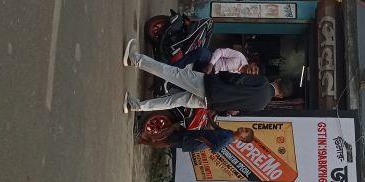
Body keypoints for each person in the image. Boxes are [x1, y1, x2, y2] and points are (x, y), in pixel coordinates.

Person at [122, 40, 292, 114]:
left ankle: (135, 60)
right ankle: (135, 106)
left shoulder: (263, 82)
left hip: (211, 86)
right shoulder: (261, 106)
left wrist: (220, 74)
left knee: (172, 73)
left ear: (277, 81)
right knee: (173, 102)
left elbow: (236, 79)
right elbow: (234, 110)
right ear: (281, 96)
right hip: (209, 103)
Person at [140, 122, 254, 152]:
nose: (243, 128)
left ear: (243, 139)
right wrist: (209, 117)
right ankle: (153, 137)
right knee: (176, 127)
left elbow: (215, 148)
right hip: (196, 135)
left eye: (245, 131)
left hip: (196, 142)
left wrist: (203, 139)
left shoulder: (229, 139)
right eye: (246, 128)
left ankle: (144, 141)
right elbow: (217, 128)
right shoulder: (230, 133)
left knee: (169, 143)